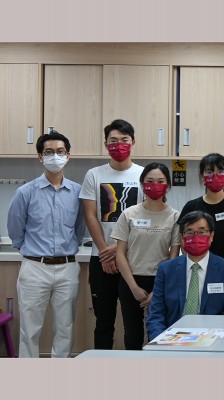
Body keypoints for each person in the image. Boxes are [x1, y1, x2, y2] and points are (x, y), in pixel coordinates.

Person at [7, 131, 84, 357]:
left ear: (68, 155)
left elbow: (80, 229)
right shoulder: (25, 192)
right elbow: (15, 231)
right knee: (30, 330)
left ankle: (57, 381)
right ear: (40, 157)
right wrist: (32, 254)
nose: (55, 157)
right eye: (49, 152)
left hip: (67, 268)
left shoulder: (77, 192)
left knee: (65, 329)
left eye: (60, 152)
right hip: (34, 268)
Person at [79, 119, 144, 349]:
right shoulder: (94, 174)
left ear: (133, 142)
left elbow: (145, 218)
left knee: (133, 322)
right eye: (113, 141)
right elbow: (90, 215)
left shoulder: (144, 175)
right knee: (103, 321)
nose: (119, 145)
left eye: (124, 140)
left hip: (133, 259)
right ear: (105, 144)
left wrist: (117, 251)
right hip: (101, 260)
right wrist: (106, 252)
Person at [111, 163, 181, 350]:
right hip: (130, 280)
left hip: (161, 281)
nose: (154, 185)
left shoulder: (175, 216)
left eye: (160, 181)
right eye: (149, 181)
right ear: (142, 184)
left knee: (159, 334)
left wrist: (157, 290)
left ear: (168, 185)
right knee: (132, 334)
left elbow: (173, 256)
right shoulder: (129, 214)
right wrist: (133, 287)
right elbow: (120, 253)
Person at [146, 211, 224, 341]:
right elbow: (156, 314)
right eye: (189, 232)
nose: (196, 237)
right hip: (171, 339)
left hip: (212, 339)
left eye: (202, 232)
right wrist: (160, 341)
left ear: (212, 235)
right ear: (182, 238)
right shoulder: (166, 269)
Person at [179, 153, 224, 285]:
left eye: (220, 171)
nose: (215, 176)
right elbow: (183, 242)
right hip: (197, 272)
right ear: (201, 176)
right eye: (209, 172)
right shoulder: (191, 206)